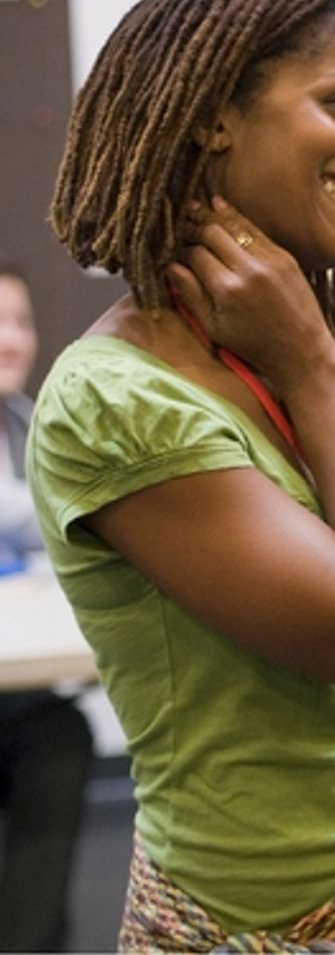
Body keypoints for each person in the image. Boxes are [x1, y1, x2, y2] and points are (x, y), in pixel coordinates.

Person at [27, 0, 335, 950]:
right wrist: (315, 367)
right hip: (268, 925)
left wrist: (313, 361)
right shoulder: (113, 399)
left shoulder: (304, 352)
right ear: (213, 116)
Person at [0, 265, 95, 952]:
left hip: (15, 694)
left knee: (59, 737)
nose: (11, 340)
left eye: (21, 322)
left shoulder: (26, 423)